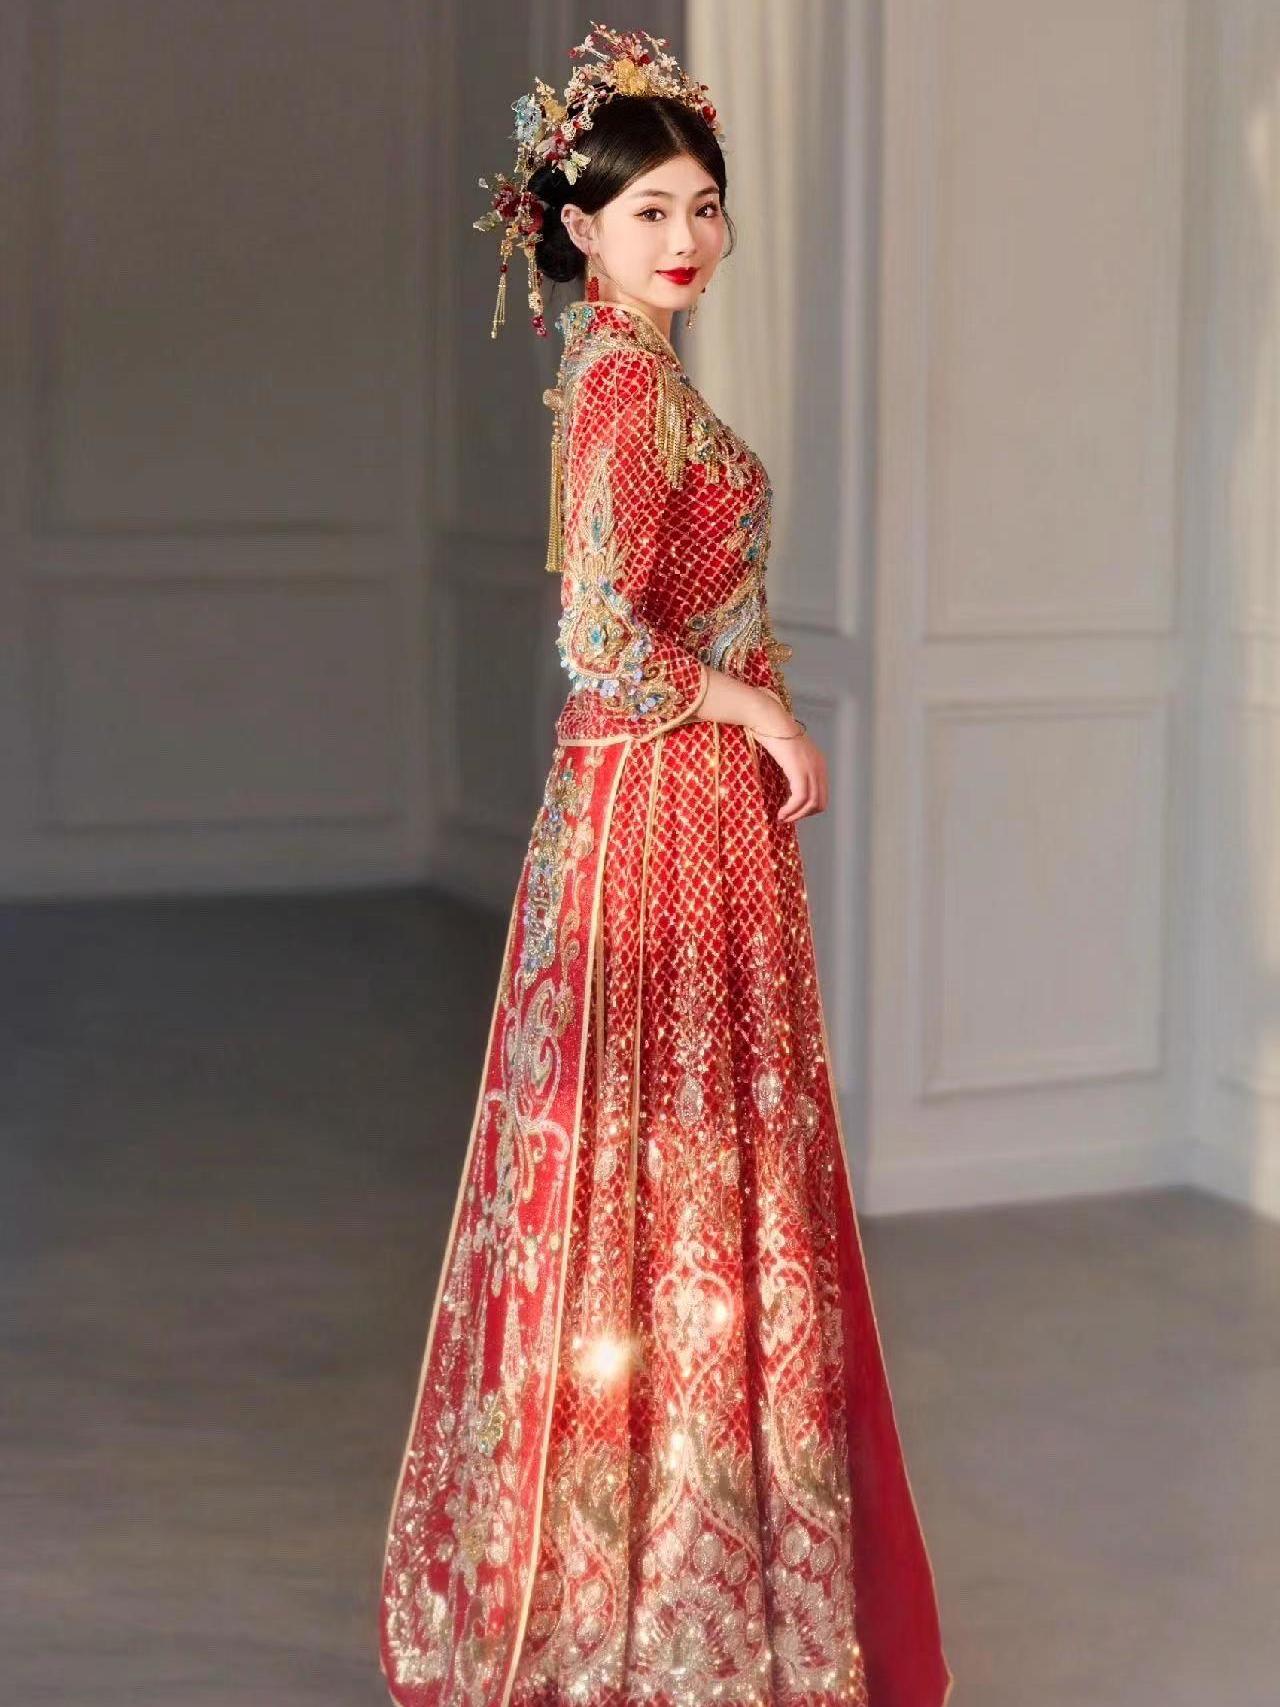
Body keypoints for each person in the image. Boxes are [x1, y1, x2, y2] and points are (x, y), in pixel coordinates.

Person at [378, 25, 952, 1707]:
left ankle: (669, 1570)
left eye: (704, 205)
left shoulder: (624, 371)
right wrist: (756, 708)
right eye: (649, 212)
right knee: (674, 1174)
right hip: (660, 812)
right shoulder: (625, 383)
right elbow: (603, 642)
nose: (687, 236)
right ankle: (648, 1607)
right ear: (579, 229)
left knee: (668, 1176)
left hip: (666, 814)